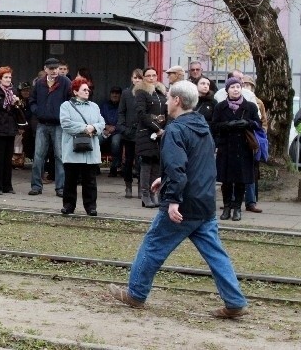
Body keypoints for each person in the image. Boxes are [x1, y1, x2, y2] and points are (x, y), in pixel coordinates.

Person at [109, 80, 249, 320]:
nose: (165, 101)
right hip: (204, 202)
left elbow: (178, 165)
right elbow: (195, 162)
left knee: (153, 245)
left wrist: (172, 199)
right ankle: (235, 301)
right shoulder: (202, 126)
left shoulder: (175, 129)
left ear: (177, 100)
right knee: (216, 254)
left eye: (168, 97)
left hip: (183, 203)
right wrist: (164, 178)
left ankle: (135, 294)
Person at [211, 77, 261, 221]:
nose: (235, 89)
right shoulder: (220, 107)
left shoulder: (250, 106)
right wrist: (228, 125)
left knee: (240, 180)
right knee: (226, 180)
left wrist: (247, 123)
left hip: (243, 148)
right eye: (232, 87)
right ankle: (227, 207)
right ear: (227, 90)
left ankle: (237, 208)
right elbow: (214, 126)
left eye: (238, 87)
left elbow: (258, 124)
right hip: (226, 148)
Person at [59, 78, 105, 216]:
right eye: (84, 89)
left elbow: (101, 123)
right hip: (72, 149)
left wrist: (94, 128)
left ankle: (91, 206)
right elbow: (66, 124)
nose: (87, 91)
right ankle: (68, 205)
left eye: (88, 89)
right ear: (75, 91)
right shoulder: (66, 106)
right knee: (70, 180)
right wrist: (85, 128)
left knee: (90, 181)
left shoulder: (94, 106)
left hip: (90, 151)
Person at [29, 57, 72, 197]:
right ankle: (36, 186)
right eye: (52, 68)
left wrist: (63, 115)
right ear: (45, 69)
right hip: (42, 123)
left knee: (59, 156)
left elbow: (71, 100)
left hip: (59, 125)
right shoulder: (39, 83)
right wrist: (37, 111)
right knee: (38, 156)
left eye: (57, 68)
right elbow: (32, 100)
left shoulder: (65, 82)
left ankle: (60, 188)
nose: (55, 71)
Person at [134, 67, 168, 208]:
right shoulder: (141, 92)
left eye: (154, 75)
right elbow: (142, 113)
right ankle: (145, 195)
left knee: (157, 164)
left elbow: (166, 112)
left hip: (160, 133)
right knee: (146, 164)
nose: (152, 78)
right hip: (146, 132)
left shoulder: (160, 92)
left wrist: (164, 128)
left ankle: (154, 193)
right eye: (148, 76)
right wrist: (156, 128)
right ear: (144, 78)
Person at [0, 66, 21, 195]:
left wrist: (17, 104)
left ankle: (7, 186)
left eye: (10, 77)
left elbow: (17, 112)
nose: (8, 79)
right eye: (5, 77)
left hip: (10, 129)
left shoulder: (13, 91)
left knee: (7, 159)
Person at [241, 75, 266, 213]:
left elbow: (263, 122)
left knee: (251, 172)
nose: (245, 87)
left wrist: (261, 138)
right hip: (237, 142)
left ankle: (251, 201)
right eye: (243, 84)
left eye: (248, 85)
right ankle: (234, 200)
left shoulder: (257, 103)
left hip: (252, 142)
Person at [117, 69, 143, 198]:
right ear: (131, 79)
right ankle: (128, 185)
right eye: (135, 77)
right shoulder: (126, 93)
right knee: (128, 161)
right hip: (128, 133)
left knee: (140, 161)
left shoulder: (145, 93)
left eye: (139, 78)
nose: (137, 80)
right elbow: (121, 111)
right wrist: (122, 127)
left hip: (142, 133)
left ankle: (140, 186)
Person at [99, 86, 123, 178]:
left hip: (117, 131)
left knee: (116, 143)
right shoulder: (104, 105)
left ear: (120, 95)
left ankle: (114, 167)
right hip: (105, 130)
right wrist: (105, 126)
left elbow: (123, 120)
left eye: (117, 93)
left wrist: (115, 127)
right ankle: (94, 166)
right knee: (96, 140)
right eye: (113, 93)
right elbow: (99, 117)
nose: (115, 95)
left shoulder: (122, 105)